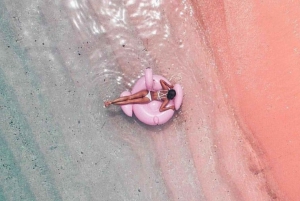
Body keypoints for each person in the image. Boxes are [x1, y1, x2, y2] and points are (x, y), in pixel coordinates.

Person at [104, 79, 176, 112]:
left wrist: (169, 85)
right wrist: (169, 107)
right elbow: (161, 109)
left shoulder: (166, 89)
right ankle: (112, 103)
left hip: (147, 92)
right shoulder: (166, 100)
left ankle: (111, 101)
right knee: (130, 101)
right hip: (148, 99)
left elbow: (161, 81)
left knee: (130, 97)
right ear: (172, 97)